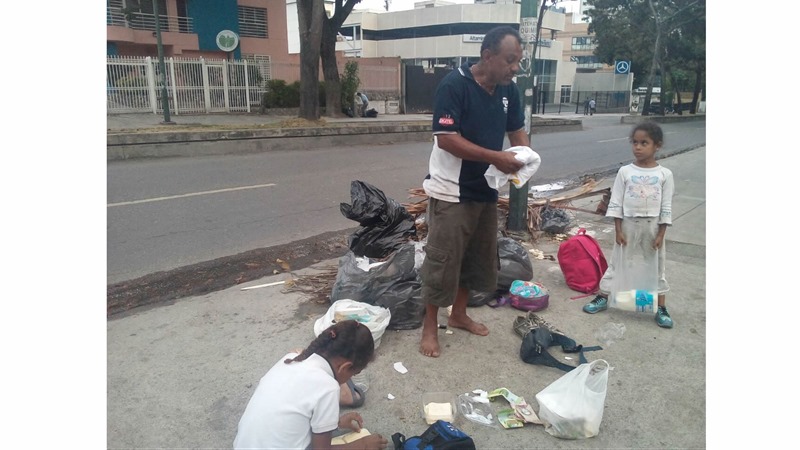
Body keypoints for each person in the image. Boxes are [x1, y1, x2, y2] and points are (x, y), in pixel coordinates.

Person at [419, 25, 529, 358]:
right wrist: (497, 157)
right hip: (451, 191)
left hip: (485, 189)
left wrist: (525, 159)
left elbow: (517, 132)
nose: (514, 68)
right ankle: (429, 328)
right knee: (443, 260)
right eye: (510, 60)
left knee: (475, 258)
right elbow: (446, 139)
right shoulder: (455, 85)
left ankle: (460, 314)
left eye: (518, 62)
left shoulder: (510, 91)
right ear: (487, 56)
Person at [233, 320, 388, 449]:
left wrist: (336, 423)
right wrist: (362, 445)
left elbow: (291, 416)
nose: (351, 377)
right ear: (345, 367)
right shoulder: (328, 388)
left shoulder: (292, 358)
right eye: (354, 373)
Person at [582, 122, 675, 329]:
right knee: (618, 262)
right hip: (628, 225)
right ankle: (603, 297)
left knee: (656, 265)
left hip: (653, 226)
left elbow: (666, 206)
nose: (638, 147)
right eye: (635, 142)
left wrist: (661, 233)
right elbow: (616, 201)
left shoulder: (664, 175)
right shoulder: (625, 172)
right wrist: (618, 229)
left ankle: (660, 307)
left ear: (657, 145)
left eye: (644, 143)